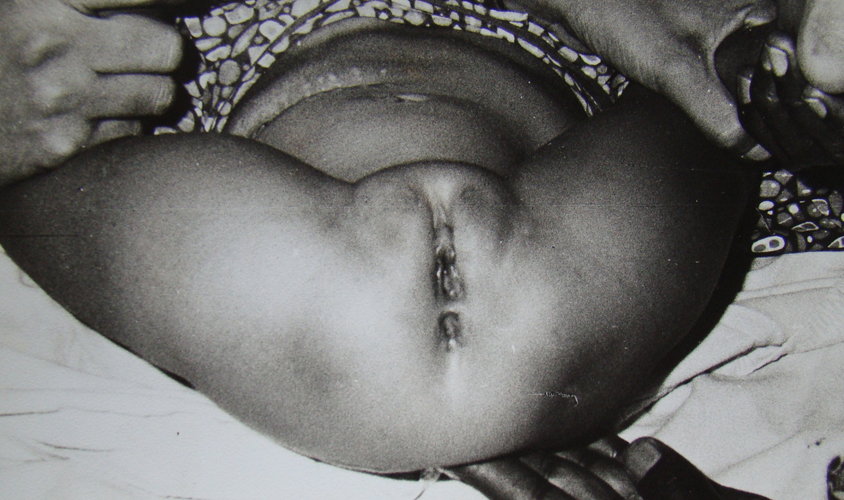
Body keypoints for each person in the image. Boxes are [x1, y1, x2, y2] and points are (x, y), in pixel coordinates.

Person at [0, 0, 841, 499]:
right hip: (217, 121)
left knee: (722, 105)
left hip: (561, 128)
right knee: (714, 116)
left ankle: (746, 98)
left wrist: (731, 61)